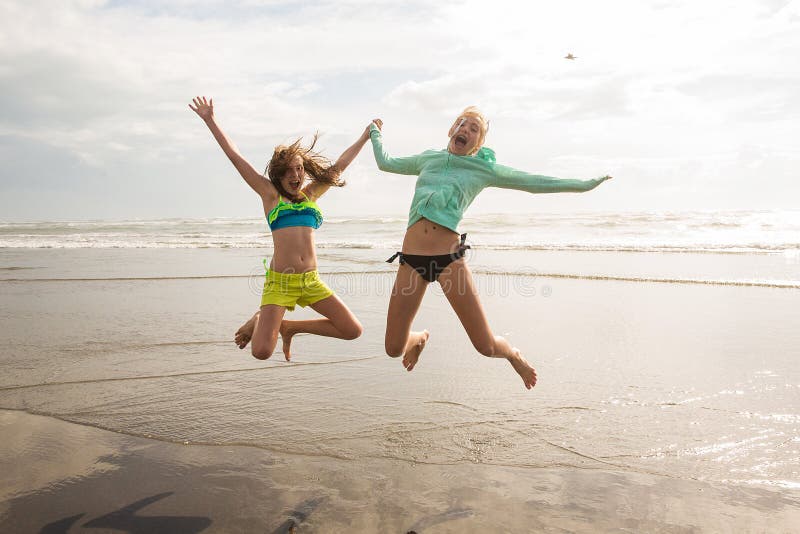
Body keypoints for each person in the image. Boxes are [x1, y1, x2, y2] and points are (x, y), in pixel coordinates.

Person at [368, 107, 612, 389]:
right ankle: (419, 338)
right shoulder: (428, 158)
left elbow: (532, 182)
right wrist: (375, 133)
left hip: (448, 260)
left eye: (474, 129)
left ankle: (512, 353)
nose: (466, 130)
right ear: (451, 130)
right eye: (462, 124)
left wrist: (583, 185)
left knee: (484, 345)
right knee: (393, 348)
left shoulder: (483, 169)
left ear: (478, 143)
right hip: (412, 260)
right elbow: (386, 163)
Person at [190, 96, 369, 361]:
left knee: (352, 329)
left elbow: (340, 165)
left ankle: (289, 326)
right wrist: (210, 120)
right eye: (289, 171)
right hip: (280, 282)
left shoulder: (311, 195)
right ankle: (261, 318)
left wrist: (365, 136)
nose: (295, 176)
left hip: (311, 281)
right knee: (261, 352)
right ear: (278, 174)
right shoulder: (270, 196)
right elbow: (234, 156)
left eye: (299, 169)